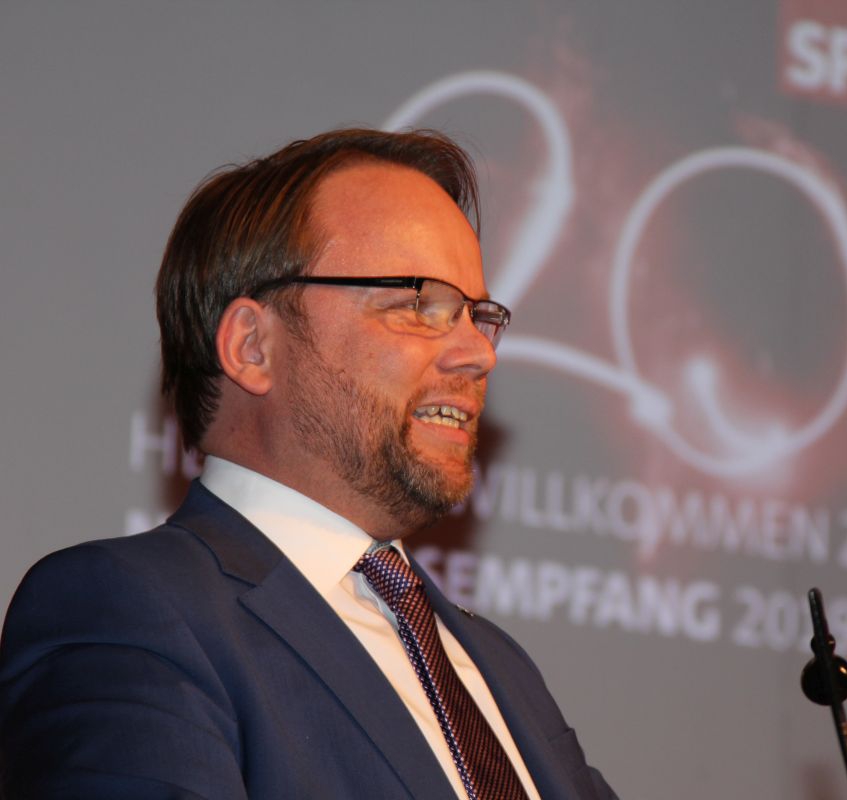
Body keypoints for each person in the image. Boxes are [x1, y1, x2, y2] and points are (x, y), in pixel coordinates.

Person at [0, 128, 617, 799]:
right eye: (420, 303)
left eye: (477, 315)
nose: (479, 354)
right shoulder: (124, 611)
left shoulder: (499, 668)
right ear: (253, 346)